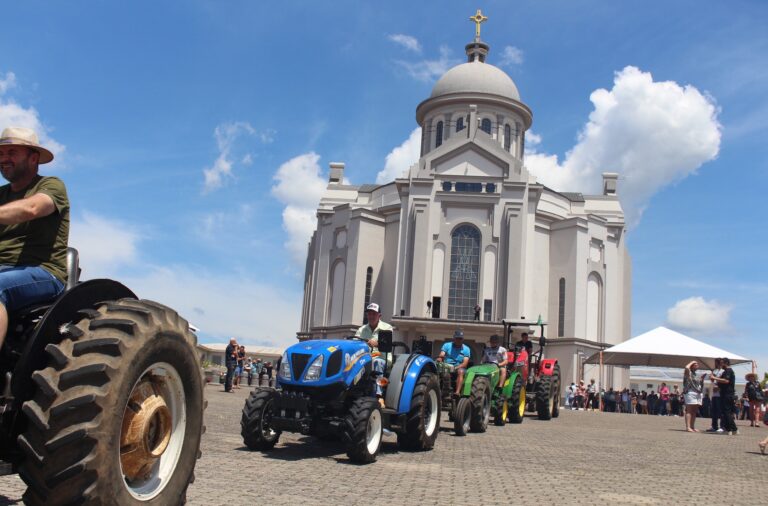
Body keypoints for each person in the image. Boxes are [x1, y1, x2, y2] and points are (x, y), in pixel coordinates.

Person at [0, 127, 69, 353]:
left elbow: (32, 208)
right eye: (1, 154)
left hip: (44, 273)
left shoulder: (51, 186)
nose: (4, 159)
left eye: (11, 152)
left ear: (33, 158)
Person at [355, 302, 394, 407]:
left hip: (382, 358)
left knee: (377, 361)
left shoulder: (387, 327)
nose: (371, 316)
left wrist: (376, 343)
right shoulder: (361, 330)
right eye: (369, 314)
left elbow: (388, 342)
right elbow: (355, 343)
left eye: (374, 314)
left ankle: (378, 395)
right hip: (365, 359)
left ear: (379, 315)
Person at [436, 329, 471, 396]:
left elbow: (465, 364)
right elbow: (442, 354)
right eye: (457, 338)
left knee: (460, 371)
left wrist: (455, 368)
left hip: (459, 367)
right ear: (454, 338)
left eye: (460, 339)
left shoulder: (466, 349)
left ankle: (457, 392)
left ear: (463, 339)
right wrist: (440, 358)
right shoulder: (447, 345)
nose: (459, 340)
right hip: (446, 365)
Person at [711, 357, 737, 435]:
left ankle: (729, 429)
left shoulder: (728, 371)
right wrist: (715, 380)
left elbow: (726, 380)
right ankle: (733, 429)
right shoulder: (725, 371)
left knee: (727, 412)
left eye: (722, 363)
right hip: (724, 394)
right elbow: (721, 382)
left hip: (727, 394)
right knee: (725, 412)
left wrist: (714, 377)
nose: (720, 364)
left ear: (726, 363)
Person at [683, 361, 704, 432]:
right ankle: (688, 427)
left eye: (697, 364)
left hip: (697, 393)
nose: (697, 365)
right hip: (690, 392)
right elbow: (686, 367)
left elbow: (699, 385)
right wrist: (692, 361)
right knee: (689, 410)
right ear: (691, 366)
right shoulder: (688, 373)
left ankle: (692, 426)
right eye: (695, 365)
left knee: (694, 411)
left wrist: (702, 380)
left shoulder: (696, 374)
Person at [707, 359, 724, 433]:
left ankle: (722, 426)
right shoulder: (715, 371)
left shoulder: (723, 371)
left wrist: (719, 388)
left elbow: (724, 380)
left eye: (717, 362)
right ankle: (714, 426)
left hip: (721, 393)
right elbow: (712, 380)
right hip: (714, 393)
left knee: (721, 411)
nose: (716, 364)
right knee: (714, 411)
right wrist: (711, 376)